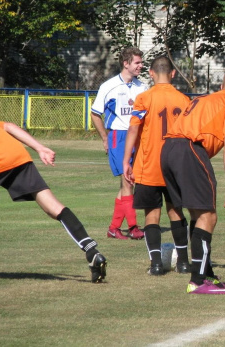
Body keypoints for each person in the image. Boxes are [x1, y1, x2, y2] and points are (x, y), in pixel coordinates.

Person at [161, 68, 225, 294]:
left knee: (198, 214)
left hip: (168, 149)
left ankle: (206, 273)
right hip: (190, 149)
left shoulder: (204, 99)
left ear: (222, 86)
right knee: (208, 215)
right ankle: (198, 281)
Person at [0, 119, 107, 283]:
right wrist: (40, 148)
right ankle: (92, 251)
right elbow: (9, 127)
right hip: (17, 154)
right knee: (53, 207)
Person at [123, 56, 191, 275]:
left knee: (152, 215)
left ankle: (156, 265)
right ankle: (182, 262)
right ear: (172, 74)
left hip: (148, 165)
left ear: (151, 73)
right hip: (176, 166)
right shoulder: (184, 100)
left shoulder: (144, 98)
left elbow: (133, 129)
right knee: (176, 212)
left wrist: (126, 161)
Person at [91, 47, 148, 240]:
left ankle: (114, 228)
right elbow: (95, 113)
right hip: (119, 137)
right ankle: (133, 227)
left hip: (137, 137)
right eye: (137, 63)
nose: (141, 66)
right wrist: (105, 138)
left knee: (127, 184)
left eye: (141, 62)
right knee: (128, 181)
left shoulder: (142, 87)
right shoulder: (109, 86)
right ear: (126, 64)